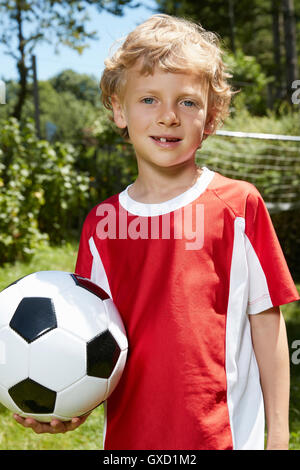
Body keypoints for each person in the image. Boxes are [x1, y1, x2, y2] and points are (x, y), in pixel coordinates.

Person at [14, 14, 299, 450]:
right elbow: (94, 342)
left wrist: (279, 436)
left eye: (187, 102)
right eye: (149, 99)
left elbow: (266, 322)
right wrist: (72, 405)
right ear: (118, 110)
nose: (168, 117)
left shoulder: (238, 206)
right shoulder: (101, 225)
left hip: (225, 440)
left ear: (211, 116)